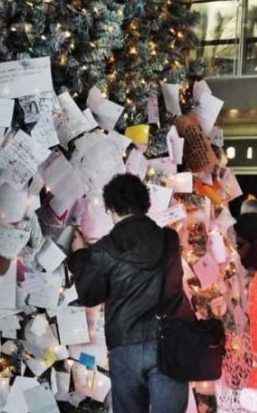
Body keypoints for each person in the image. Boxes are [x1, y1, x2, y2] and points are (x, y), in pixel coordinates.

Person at [66, 173, 194, 413]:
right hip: (169, 344)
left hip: (126, 348)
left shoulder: (105, 248)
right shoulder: (169, 240)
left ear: (111, 208)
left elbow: (90, 294)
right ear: (146, 204)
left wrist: (81, 254)